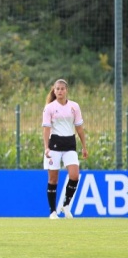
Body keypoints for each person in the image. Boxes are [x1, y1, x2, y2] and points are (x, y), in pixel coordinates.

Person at [42, 78, 87, 219]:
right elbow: (46, 130)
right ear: (54, 91)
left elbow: (79, 128)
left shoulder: (74, 106)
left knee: (74, 175)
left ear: (66, 90)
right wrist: (46, 148)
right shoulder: (49, 108)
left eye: (62, 89)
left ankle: (66, 205)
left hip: (70, 144)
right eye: (57, 89)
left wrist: (84, 146)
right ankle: (52, 211)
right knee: (53, 179)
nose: (60, 91)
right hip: (54, 145)